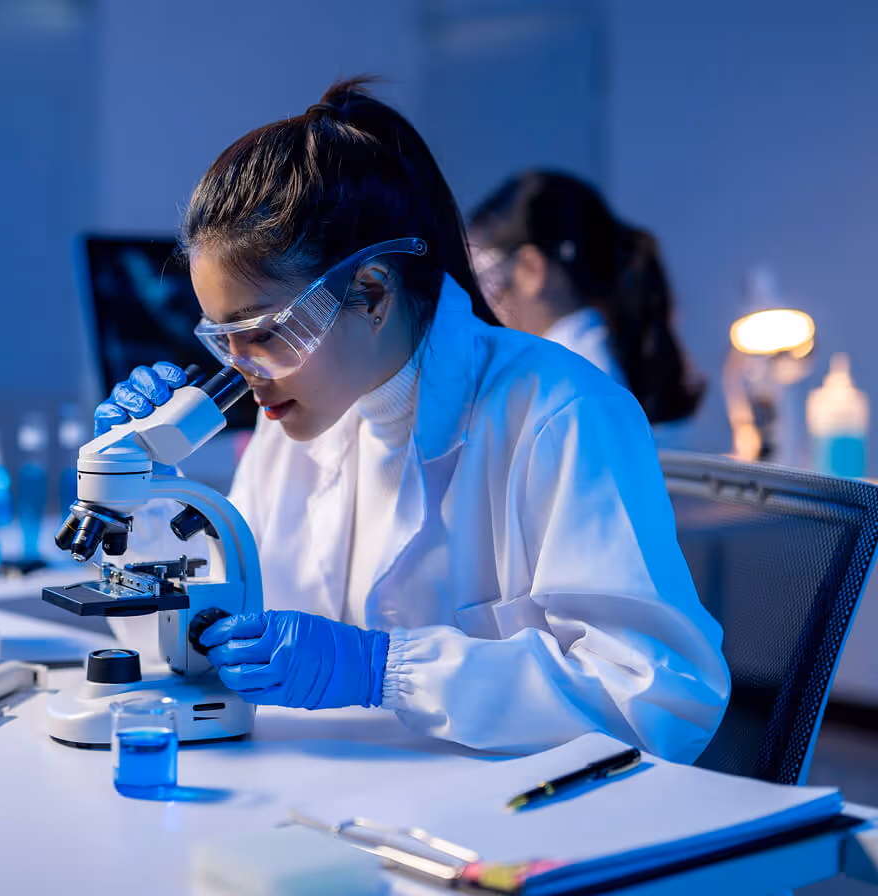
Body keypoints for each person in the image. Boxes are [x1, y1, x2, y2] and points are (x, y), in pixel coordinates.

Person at [94, 79, 729, 762]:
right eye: (222, 340)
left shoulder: (557, 412)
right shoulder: (297, 420)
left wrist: (384, 669)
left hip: (520, 839)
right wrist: (139, 490)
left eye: (263, 332)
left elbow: (662, 700)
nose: (244, 370)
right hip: (343, 810)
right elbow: (220, 630)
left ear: (370, 294)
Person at [468, 170, 704, 426]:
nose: (475, 303)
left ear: (530, 270)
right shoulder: (575, 375)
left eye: (480, 278)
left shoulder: (562, 390)